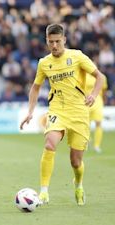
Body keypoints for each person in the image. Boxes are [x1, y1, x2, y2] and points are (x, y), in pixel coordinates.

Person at [19, 24, 105, 206]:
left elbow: (100, 77)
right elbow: (35, 87)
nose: (55, 45)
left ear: (64, 39)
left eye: (58, 41)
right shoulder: (44, 63)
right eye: (51, 42)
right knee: (50, 143)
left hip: (79, 112)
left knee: (75, 162)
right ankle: (43, 192)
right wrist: (30, 111)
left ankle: (79, 184)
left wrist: (94, 95)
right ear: (47, 42)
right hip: (58, 110)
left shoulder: (77, 56)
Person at [86, 73, 107, 153]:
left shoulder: (102, 76)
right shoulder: (84, 75)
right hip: (86, 102)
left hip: (98, 101)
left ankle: (97, 145)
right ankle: (88, 140)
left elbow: (104, 90)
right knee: (85, 124)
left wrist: (104, 101)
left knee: (98, 122)